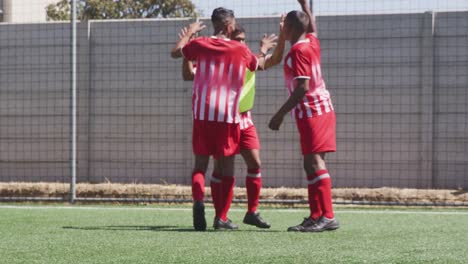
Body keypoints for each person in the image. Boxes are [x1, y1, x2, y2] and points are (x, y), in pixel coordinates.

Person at [171, 7, 276, 231]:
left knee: (200, 165)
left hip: (202, 114)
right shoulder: (239, 49)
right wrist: (277, 44)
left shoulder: (200, 45)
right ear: (229, 27)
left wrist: (189, 32)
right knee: (225, 168)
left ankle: (199, 202)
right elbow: (263, 64)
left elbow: (176, 52)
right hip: (227, 115)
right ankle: (221, 218)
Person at [268, 0, 339, 232]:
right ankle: (316, 214)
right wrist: (305, 6)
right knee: (311, 163)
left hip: (313, 111)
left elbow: (302, 88)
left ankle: (327, 216)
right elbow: (312, 27)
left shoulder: (299, 51)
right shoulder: (311, 41)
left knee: (314, 162)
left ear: (290, 28)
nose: (282, 29)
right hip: (320, 109)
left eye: (285, 26)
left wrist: (279, 115)